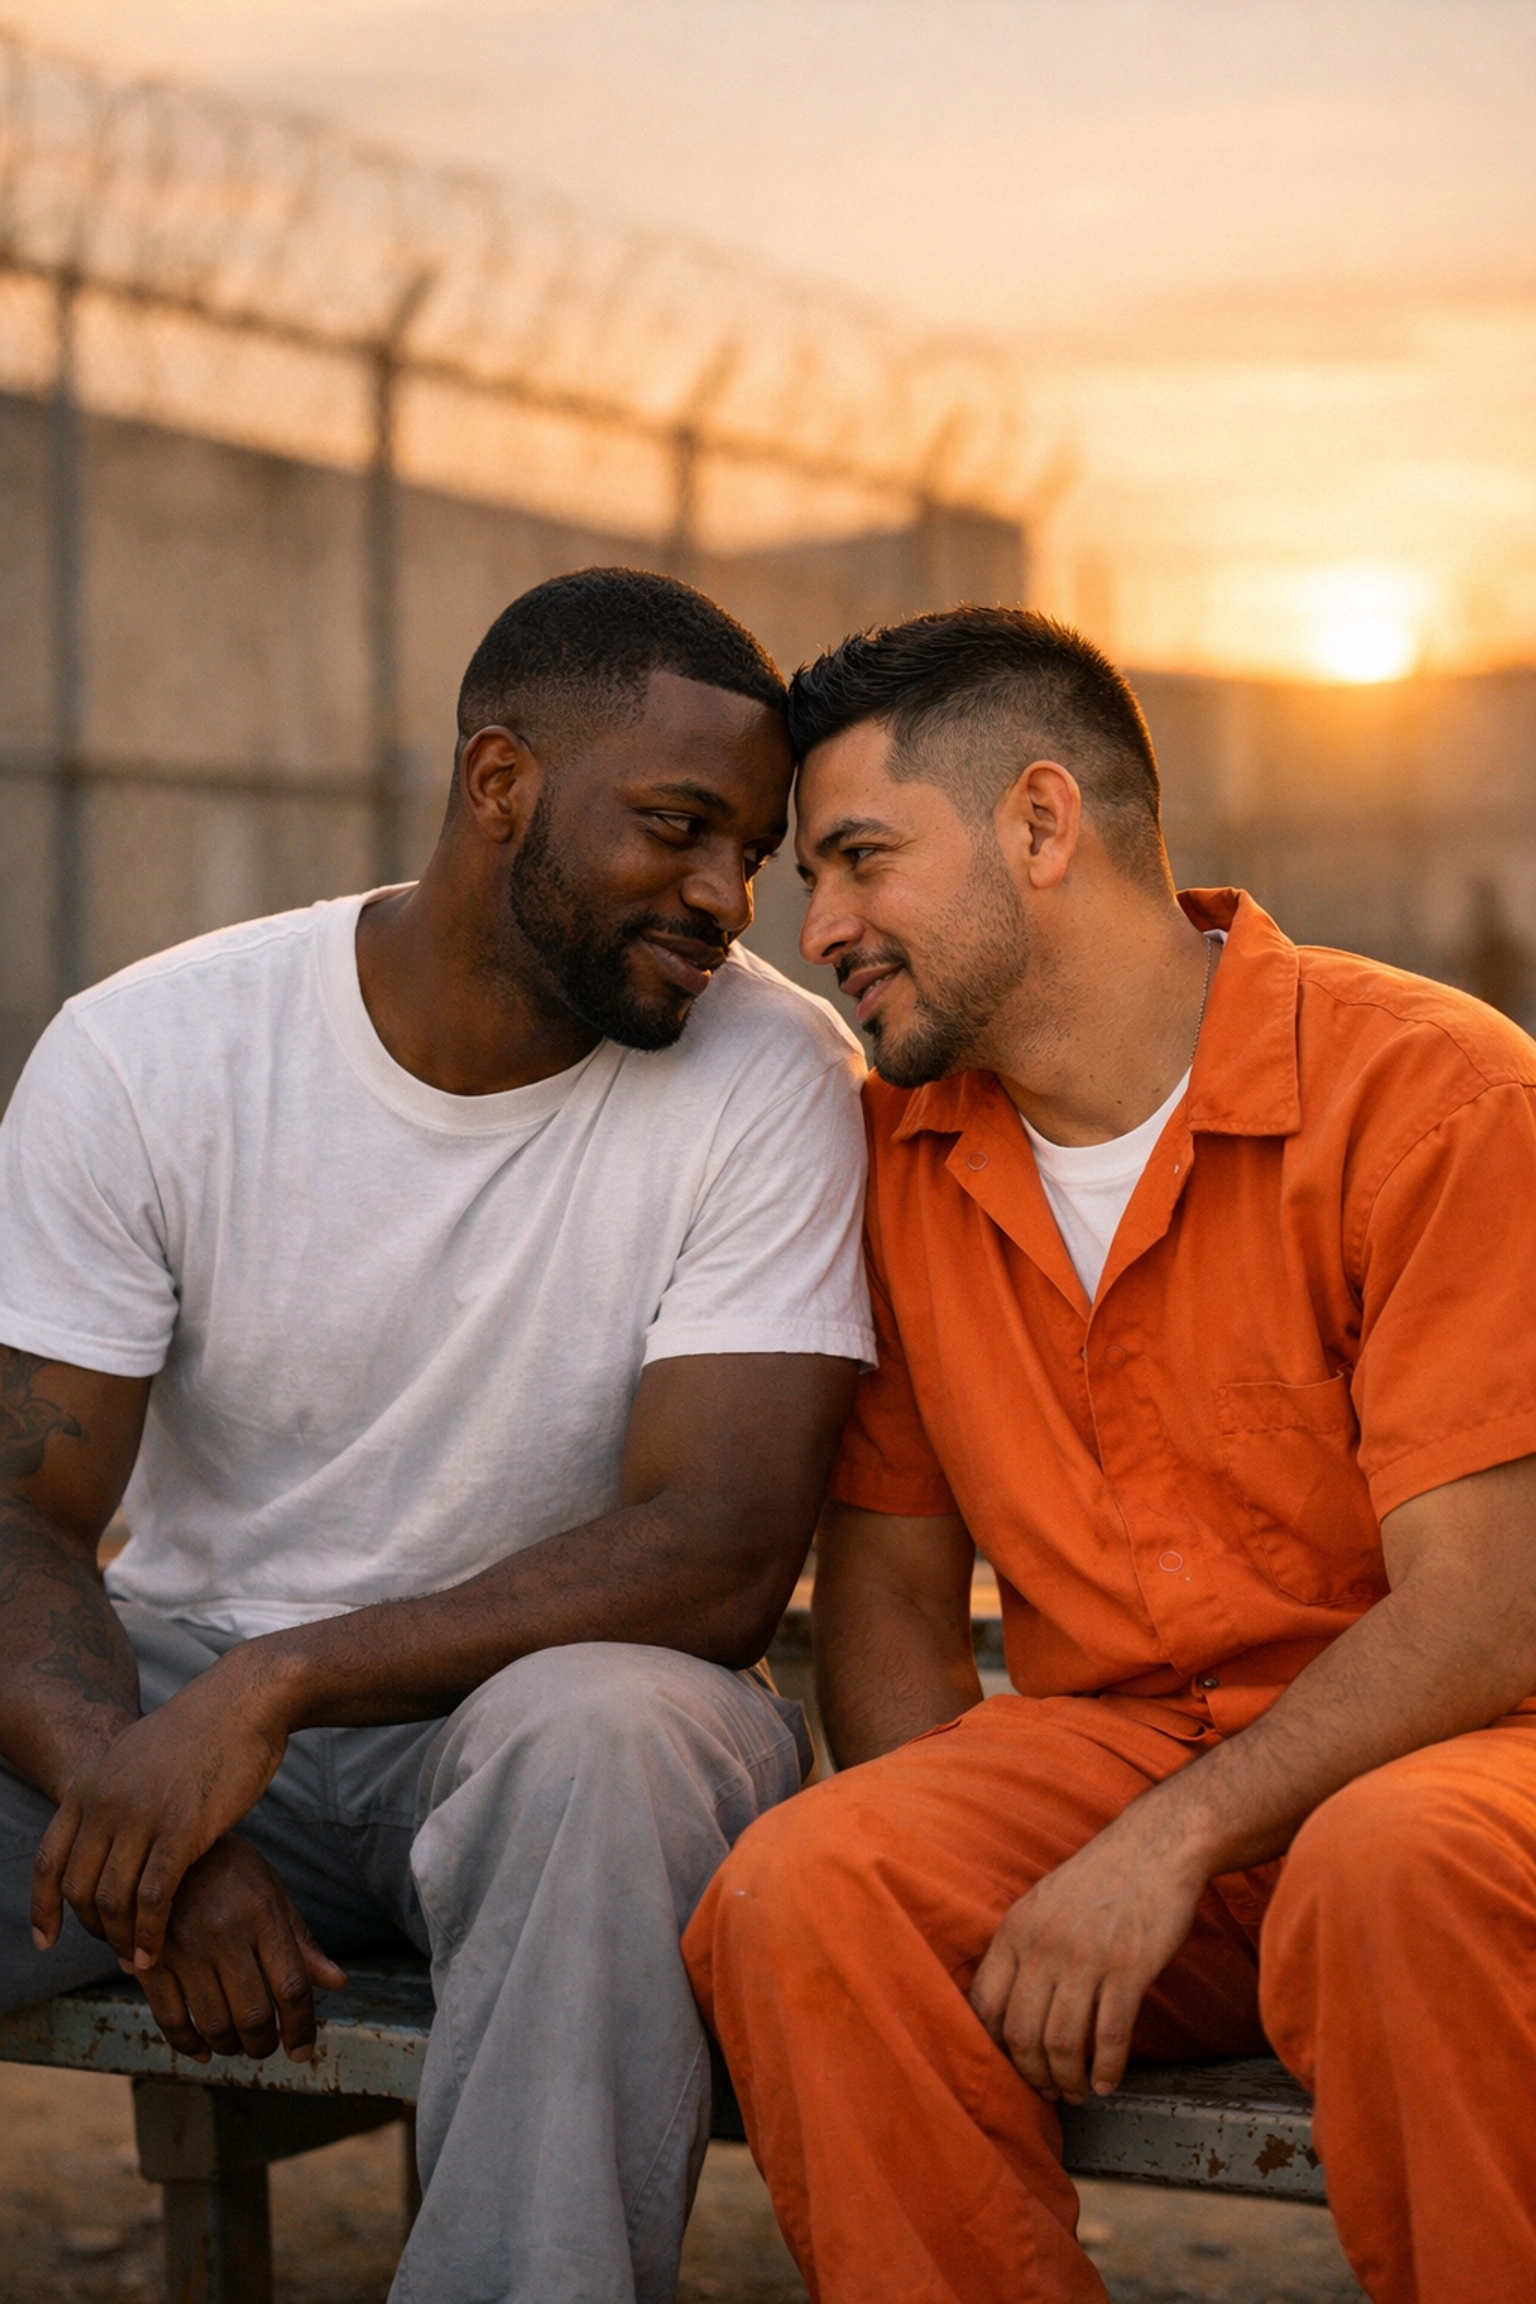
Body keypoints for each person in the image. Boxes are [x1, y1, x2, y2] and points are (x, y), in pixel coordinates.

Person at [0, 567, 874, 2304]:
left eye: (754, 854)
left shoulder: (775, 1076)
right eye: (681, 829)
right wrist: (143, 1803)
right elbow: (21, 1514)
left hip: (530, 1736)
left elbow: (713, 1557)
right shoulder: (153, 1053)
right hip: (174, 1714)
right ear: (500, 787)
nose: (726, 901)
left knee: (608, 1735)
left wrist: (277, 1688)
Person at [684, 605, 1536, 2304]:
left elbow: (1490, 1618)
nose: (822, 929)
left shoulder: (1434, 1095)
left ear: (1043, 824)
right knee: (813, 1888)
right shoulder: (895, 1158)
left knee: (1389, 1870)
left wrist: (1158, 1850)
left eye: (860, 860)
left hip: (1468, 1773)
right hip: (1130, 1768)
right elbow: (897, 1607)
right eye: (810, 885)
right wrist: (1004, 1887)